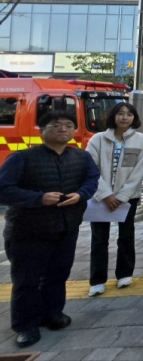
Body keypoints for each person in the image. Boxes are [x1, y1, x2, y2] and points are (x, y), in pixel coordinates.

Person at [0, 111, 99, 348]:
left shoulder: (81, 157)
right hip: (28, 230)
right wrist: (38, 198)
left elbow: (92, 180)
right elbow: (3, 189)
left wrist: (81, 194)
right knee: (27, 280)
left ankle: (53, 314)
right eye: (56, 125)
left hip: (66, 228)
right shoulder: (22, 158)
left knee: (58, 275)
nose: (63, 129)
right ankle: (25, 326)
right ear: (41, 131)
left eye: (68, 125)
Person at [87, 103, 143, 297]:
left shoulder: (142, 140)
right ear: (113, 116)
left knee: (126, 236)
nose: (125, 118)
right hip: (101, 197)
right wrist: (105, 194)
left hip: (127, 198)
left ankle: (124, 274)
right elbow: (91, 168)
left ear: (134, 118)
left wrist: (122, 196)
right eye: (121, 114)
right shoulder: (97, 139)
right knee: (99, 239)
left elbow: (139, 171)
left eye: (129, 114)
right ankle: (97, 280)